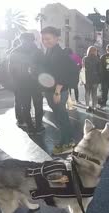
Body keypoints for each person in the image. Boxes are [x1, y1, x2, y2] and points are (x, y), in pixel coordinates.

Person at [41, 26, 75, 155]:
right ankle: (66, 140)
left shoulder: (59, 54)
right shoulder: (50, 51)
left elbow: (63, 74)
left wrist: (57, 92)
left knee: (62, 117)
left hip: (58, 91)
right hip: (52, 90)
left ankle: (67, 143)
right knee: (60, 117)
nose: (45, 41)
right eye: (43, 39)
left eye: (48, 38)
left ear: (56, 39)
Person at [9, 33, 46, 134]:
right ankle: (39, 125)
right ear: (33, 40)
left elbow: (11, 70)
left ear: (21, 40)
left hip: (22, 84)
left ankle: (30, 127)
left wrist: (16, 82)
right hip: (36, 83)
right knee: (38, 106)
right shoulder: (38, 52)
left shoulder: (15, 52)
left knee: (25, 106)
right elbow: (44, 68)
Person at [82, 46, 100, 113]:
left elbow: (83, 69)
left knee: (87, 93)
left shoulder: (84, 59)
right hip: (95, 78)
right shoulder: (98, 59)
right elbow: (99, 70)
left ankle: (87, 107)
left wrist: (82, 79)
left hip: (87, 78)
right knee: (94, 93)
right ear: (95, 51)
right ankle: (94, 107)